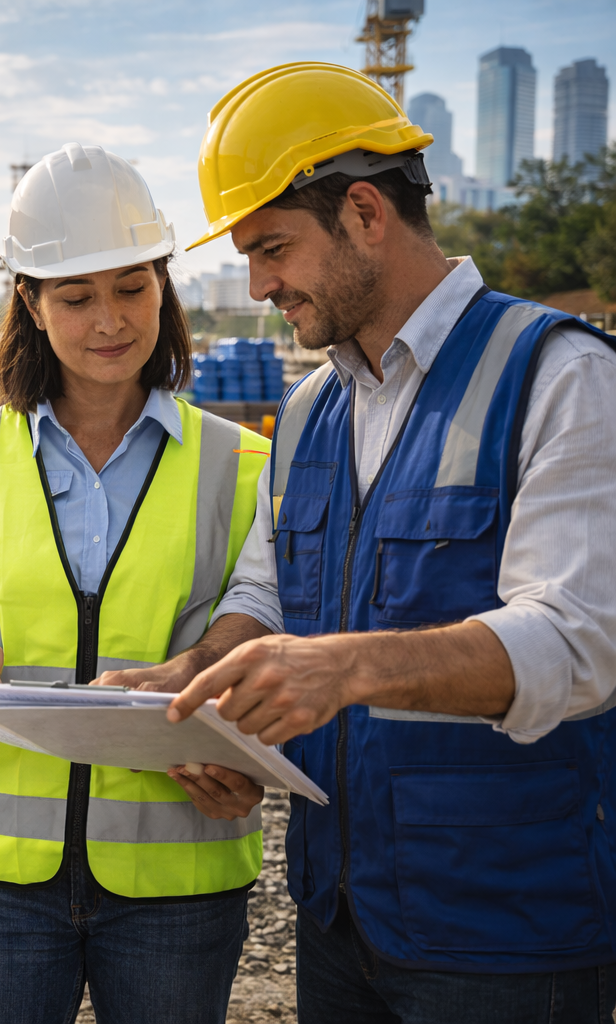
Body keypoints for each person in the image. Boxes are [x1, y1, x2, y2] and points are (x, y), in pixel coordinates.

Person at [143, 62, 616, 1022]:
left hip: (510, 931)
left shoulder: (559, 378)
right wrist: (191, 687)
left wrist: (344, 669)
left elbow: (579, 645)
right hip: (341, 918)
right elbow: (271, 601)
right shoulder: (313, 407)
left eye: (272, 248)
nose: (257, 282)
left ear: (365, 213)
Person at [0, 144, 274, 1024]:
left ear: (164, 288)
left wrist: (247, 758)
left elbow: (268, 638)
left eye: (132, 288)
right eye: (76, 296)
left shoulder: (243, 464)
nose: (110, 319)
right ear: (29, 302)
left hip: (178, 868)